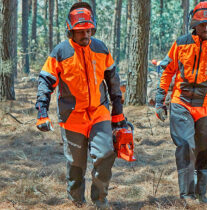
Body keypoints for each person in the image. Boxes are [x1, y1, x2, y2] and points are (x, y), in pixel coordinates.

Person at [35, 2, 127, 208]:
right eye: (80, 31)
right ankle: (76, 202)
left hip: (99, 113)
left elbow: (113, 80)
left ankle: (100, 200)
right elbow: (45, 81)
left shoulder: (100, 48)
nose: (86, 34)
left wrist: (118, 112)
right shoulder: (60, 52)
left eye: (88, 30)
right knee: (76, 165)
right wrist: (42, 110)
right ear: (71, 31)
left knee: (105, 154)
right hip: (72, 116)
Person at [155, 1, 207, 205]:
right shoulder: (181, 43)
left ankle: (201, 194)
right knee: (185, 146)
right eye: (202, 24)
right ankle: (187, 195)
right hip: (180, 102)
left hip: (206, 107)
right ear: (194, 24)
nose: (206, 28)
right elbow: (167, 70)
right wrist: (160, 100)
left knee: (201, 152)